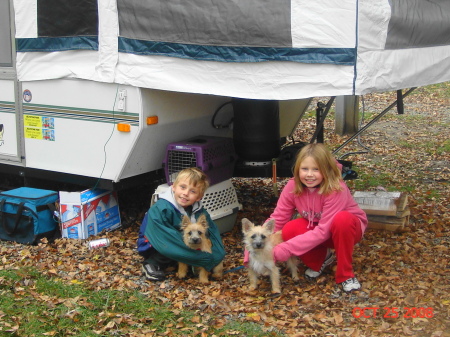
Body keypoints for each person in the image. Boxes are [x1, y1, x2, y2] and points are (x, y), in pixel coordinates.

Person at [266, 143, 367, 292]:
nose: (309, 174)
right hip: (317, 227)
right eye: (304, 169)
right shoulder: (292, 186)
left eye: (316, 169)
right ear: (297, 169)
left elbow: (324, 231)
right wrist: (257, 242)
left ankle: (346, 274)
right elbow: (279, 217)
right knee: (290, 229)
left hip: (346, 229)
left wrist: (285, 249)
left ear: (326, 170)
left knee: (342, 220)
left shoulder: (335, 189)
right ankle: (323, 259)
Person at [137, 167, 226, 281]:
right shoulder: (162, 208)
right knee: (166, 249)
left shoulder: (199, 211)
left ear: (199, 197)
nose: (185, 193)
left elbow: (213, 233)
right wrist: (203, 258)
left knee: (201, 240)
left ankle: (189, 260)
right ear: (173, 187)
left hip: (184, 240)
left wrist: (216, 255)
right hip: (154, 243)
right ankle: (151, 264)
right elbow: (163, 237)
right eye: (182, 187)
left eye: (192, 191)